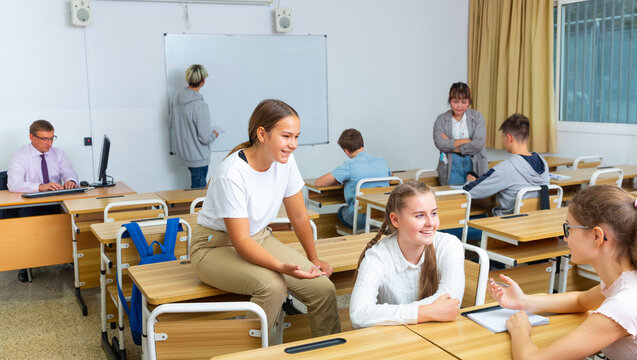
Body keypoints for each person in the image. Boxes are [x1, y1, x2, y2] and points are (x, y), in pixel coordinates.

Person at [190, 99, 340, 344]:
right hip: (213, 247)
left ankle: (329, 353)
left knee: (323, 288)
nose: (293, 144)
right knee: (273, 286)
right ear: (262, 134)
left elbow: (299, 215)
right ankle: (252, 353)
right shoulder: (232, 173)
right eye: (286, 136)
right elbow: (239, 240)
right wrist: (279, 267)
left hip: (257, 237)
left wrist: (313, 259)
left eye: (296, 137)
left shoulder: (286, 162)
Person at [488, 185, 637, 360]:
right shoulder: (624, 281)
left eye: (569, 228)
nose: (565, 238)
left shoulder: (624, 303)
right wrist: (522, 301)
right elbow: (581, 301)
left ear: (597, 236)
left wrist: (520, 330)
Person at [349, 181, 465, 329]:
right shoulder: (377, 256)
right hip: (392, 339)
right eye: (420, 216)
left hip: (435, 333)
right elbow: (359, 313)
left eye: (434, 213)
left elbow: (451, 301)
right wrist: (426, 312)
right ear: (396, 220)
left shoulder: (449, 245)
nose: (431, 223)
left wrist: (390, 314)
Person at [7, 119, 79, 282]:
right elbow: (13, 184)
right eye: (44, 139)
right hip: (30, 203)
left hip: (55, 200)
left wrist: (70, 181)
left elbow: (69, 171)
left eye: (52, 138)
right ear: (32, 138)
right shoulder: (21, 155)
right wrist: (40, 186)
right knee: (28, 225)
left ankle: (68, 255)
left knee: (72, 218)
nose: (49, 143)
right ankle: (26, 264)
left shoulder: (58, 153)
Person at [463, 113, 549, 216]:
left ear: (509, 138)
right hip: (535, 225)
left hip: (506, 227)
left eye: (502, 136)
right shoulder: (543, 163)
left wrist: (471, 182)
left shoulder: (505, 168)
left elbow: (470, 191)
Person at [314, 128, 391, 230]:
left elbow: (319, 183)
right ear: (362, 143)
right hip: (383, 217)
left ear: (346, 151)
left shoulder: (349, 165)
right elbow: (390, 176)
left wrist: (339, 179)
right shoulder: (381, 161)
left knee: (341, 211)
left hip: (360, 219)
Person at [169, 64, 219, 188]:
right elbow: (205, 138)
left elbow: (172, 123)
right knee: (199, 195)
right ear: (203, 81)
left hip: (185, 154)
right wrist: (214, 134)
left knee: (197, 191)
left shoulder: (176, 99)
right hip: (198, 157)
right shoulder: (199, 105)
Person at [433, 82, 488, 185]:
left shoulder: (477, 117)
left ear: (469, 101)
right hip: (451, 164)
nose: (459, 106)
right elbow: (440, 144)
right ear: (450, 101)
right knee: (453, 196)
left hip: (473, 163)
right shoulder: (441, 119)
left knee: (475, 196)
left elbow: (477, 144)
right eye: (455, 101)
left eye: (464, 102)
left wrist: (451, 145)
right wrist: (467, 141)